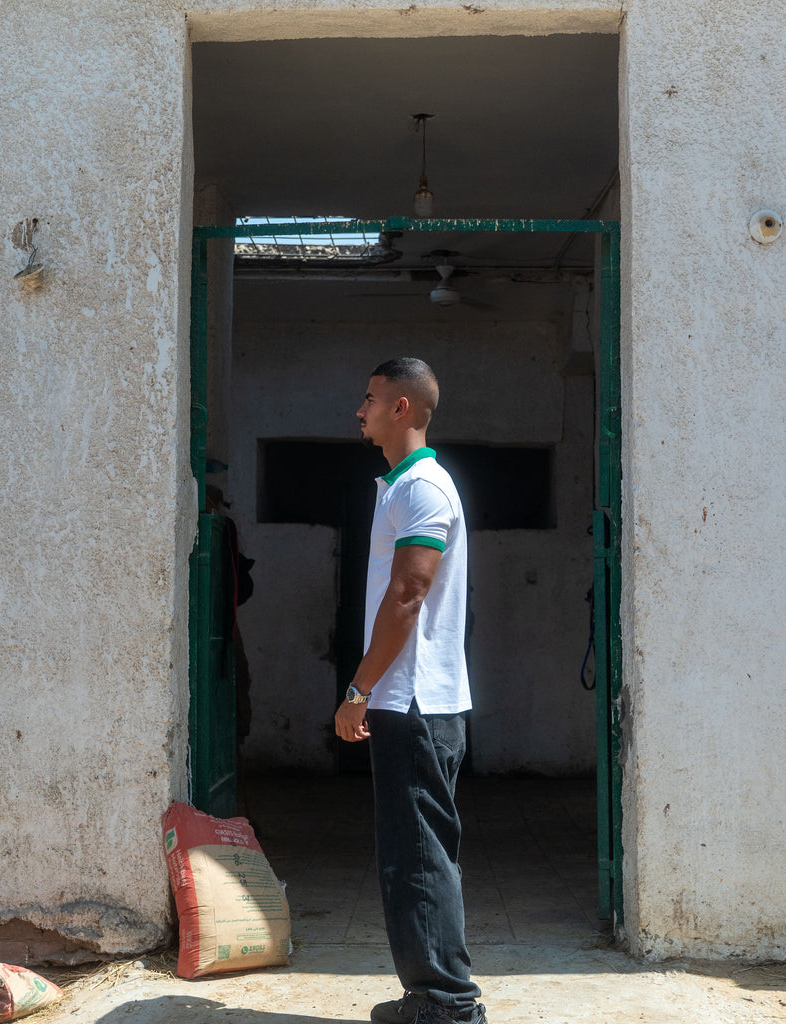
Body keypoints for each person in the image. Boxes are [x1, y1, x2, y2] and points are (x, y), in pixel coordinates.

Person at [334, 358, 486, 1024]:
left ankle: (446, 1005)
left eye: (368, 399)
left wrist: (358, 688)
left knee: (418, 859)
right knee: (418, 856)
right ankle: (434, 995)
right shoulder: (401, 487)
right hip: (417, 702)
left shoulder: (422, 489)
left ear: (401, 407)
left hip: (411, 702)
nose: (358, 410)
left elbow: (407, 594)